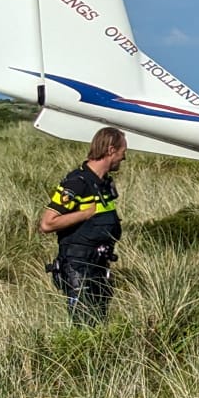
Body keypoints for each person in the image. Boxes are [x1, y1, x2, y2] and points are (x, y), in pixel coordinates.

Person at [40, 126, 127, 324]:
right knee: (84, 322)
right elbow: (47, 223)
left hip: (99, 262)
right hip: (79, 266)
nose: (124, 158)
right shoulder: (77, 182)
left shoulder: (103, 183)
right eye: (123, 152)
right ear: (111, 150)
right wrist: (86, 214)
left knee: (100, 320)